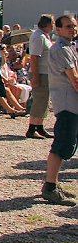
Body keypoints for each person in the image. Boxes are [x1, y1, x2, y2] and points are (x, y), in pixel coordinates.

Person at [41, 15, 78, 205]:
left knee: (68, 144)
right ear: (58, 29)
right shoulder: (60, 49)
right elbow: (75, 80)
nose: (72, 29)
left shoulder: (70, 47)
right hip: (67, 104)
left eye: (74, 26)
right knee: (62, 144)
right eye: (68, 26)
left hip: (72, 104)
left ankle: (54, 182)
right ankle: (49, 186)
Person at [28, 14, 55, 139]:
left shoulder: (44, 36)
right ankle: (31, 128)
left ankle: (39, 126)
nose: (54, 26)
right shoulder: (38, 37)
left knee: (44, 101)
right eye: (53, 24)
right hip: (40, 73)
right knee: (39, 101)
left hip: (46, 73)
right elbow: (34, 58)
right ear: (47, 24)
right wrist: (36, 76)